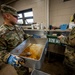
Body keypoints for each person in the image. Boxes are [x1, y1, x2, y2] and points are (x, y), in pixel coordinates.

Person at [0, 4, 29, 75]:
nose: (17, 18)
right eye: (15, 16)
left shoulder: (18, 27)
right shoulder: (2, 32)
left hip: (25, 53)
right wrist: (9, 58)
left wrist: (31, 38)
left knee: (27, 68)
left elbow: (24, 36)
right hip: (16, 59)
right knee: (23, 72)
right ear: (7, 16)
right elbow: (1, 51)